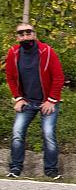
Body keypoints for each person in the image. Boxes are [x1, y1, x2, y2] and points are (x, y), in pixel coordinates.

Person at [4, 23, 65, 180]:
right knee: (17, 132)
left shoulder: (47, 51)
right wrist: (17, 98)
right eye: (21, 34)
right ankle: (15, 168)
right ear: (17, 37)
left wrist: (51, 101)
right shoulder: (13, 53)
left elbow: (58, 77)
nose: (25, 36)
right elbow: (10, 77)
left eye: (28, 32)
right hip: (27, 101)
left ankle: (51, 170)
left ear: (34, 34)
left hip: (47, 101)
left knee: (48, 133)